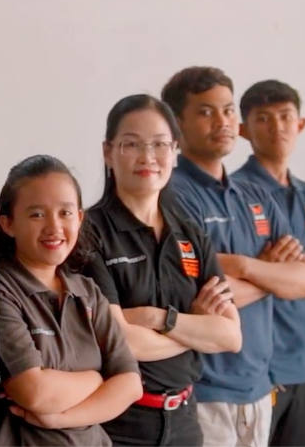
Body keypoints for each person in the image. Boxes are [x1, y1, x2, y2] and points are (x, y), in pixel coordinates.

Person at [160, 67, 305, 447]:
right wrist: (272, 276)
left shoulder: (254, 194)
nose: (223, 121)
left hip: (260, 387)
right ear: (176, 123)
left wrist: (242, 267)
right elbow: (194, 297)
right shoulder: (171, 194)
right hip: (204, 392)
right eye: (206, 111)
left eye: (228, 110)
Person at [82, 94, 243, 447]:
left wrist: (158, 318)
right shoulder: (88, 233)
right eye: (132, 144)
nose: (148, 157)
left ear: (175, 151)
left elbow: (230, 336)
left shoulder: (190, 233)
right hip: (118, 424)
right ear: (108, 152)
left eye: (159, 144)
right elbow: (120, 340)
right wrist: (195, 329)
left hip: (185, 419)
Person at [0, 154, 142, 447]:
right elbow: (34, 392)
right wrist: (97, 378)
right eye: (37, 215)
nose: (54, 227)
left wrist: (60, 419)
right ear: (8, 224)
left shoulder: (88, 291)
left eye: (65, 213)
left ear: (79, 219)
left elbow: (130, 385)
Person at [231, 80, 305, 447]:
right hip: (257, 368)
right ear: (243, 129)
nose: (276, 126)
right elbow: (225, 275)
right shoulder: (232, 195)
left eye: (285, 116)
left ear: (300, 124)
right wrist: (304, 267)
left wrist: (284, 274)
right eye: (263, 118)